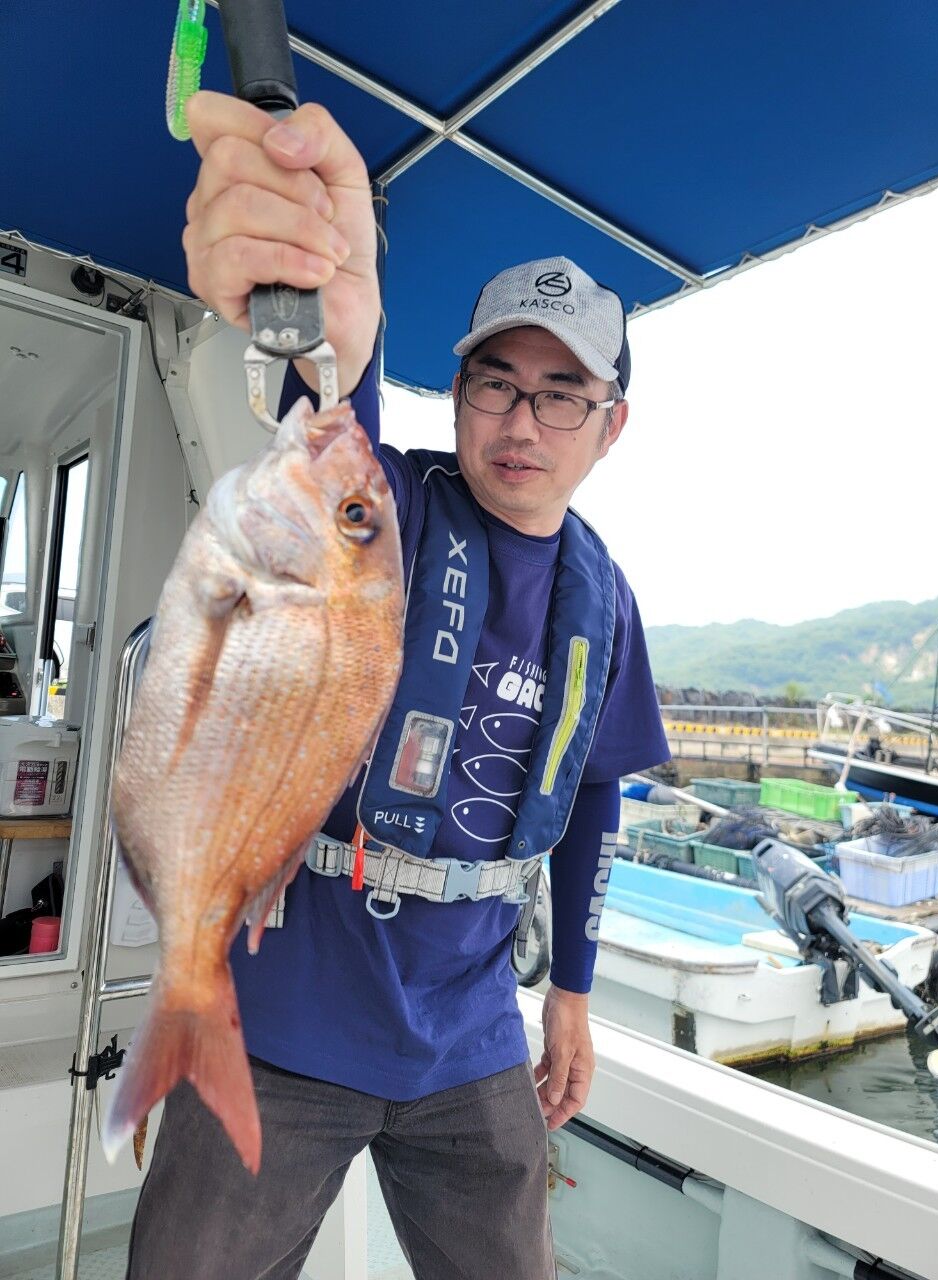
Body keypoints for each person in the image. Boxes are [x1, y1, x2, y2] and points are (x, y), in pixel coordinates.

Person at [126, 92, 669, 1280]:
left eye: (561, 393)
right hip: (283, 1018)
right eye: (495, 383)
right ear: (459, 390)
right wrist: (342, 330)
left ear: (608, 424)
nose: (522, 420)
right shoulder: (386, 512)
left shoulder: (606, 602)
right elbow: (332, 415)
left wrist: (569, 995)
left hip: (471, 1034)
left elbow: (593, 801)